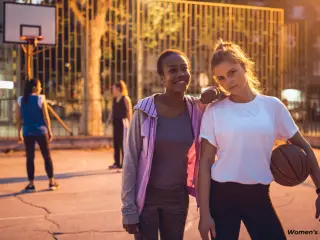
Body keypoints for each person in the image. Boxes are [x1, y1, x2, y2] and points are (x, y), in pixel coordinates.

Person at [198, 39, 320, 240]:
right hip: (221, 196)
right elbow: (205, 163)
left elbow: (304, 147)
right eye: (221, 78)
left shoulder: (272, 107)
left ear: (244, 66)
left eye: (232, 72)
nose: (228, 81)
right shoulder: (214, 111)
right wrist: (204, 214)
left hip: (258, 195)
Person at [121, 49, 224, 240]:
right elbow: (130, 161)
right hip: (146, 199)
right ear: (162, 76)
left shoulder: (195, 109)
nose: (180, 75)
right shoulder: (144, 111)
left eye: (184, 69)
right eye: (172, 70)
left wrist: (215, 91)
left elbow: (227, 96)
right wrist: (128, 209)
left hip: (177, 198)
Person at [16, 79, 59, 192]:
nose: (41, 88)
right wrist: (49, 131)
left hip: (27, 132)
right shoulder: (41, 98)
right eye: (40, 86)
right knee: (47, 156)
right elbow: (46, 117)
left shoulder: (20, 100)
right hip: (41, 131)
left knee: (30, 158)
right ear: (35, 88)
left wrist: (19, 133)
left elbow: (18, 118)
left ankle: (31, 184)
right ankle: (51, 182)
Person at [108, 80, 132, 169]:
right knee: (116, 142)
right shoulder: (114, 99)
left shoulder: (125, 98)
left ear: (118, 88)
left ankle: (125, 163)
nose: (112, 89)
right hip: (116, 122)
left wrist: (130, 124)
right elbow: (112, 111)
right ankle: (117, 163)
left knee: (123, 143)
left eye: (113, 88)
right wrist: (108, 121)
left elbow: (129, 111)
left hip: (123, 122)